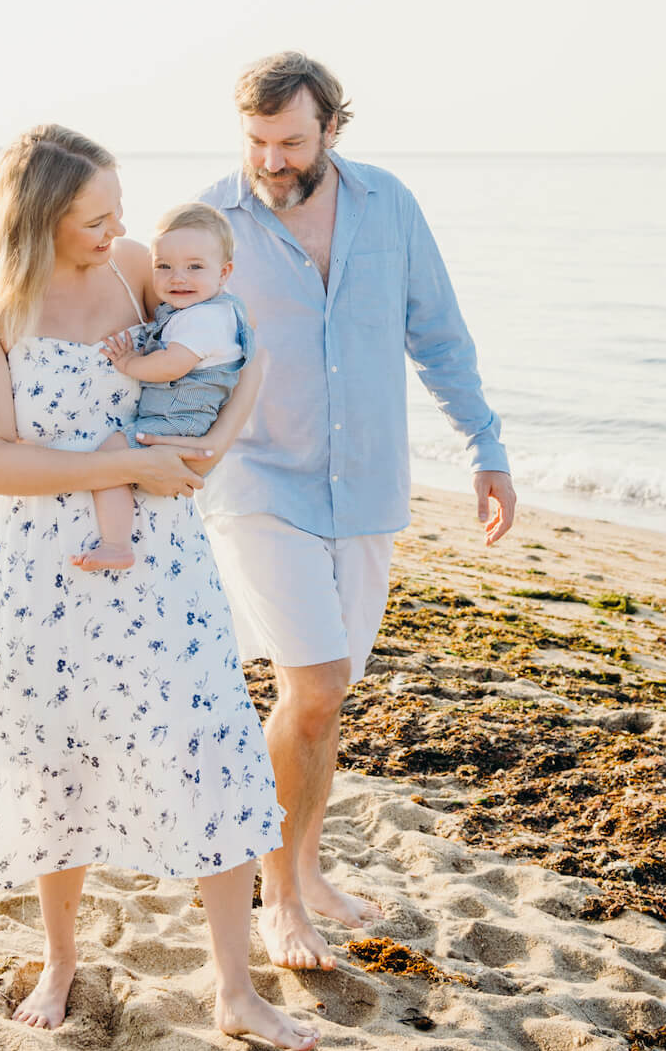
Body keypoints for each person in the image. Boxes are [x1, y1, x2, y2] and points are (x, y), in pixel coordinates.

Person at [0, 124, 318, 1051]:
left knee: (210, 744)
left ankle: (235, 989)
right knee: (59, 763)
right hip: (38, 573)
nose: (117, 231)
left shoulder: (137, 267)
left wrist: (212, 450)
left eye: (119, 211)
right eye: (96, 218)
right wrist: (122, 462)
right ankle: (60, 959)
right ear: (42, 217)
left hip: (162, 562)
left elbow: (239, 354)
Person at [197, 54, 516, 973]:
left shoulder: (390, 206)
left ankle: (307, 864)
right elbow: (170, 332)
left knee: (319, 703)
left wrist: (485, 448)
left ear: (333, 129)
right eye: (257, 140)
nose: (272, 158)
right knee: (318, 682)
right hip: (258, 479)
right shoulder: (214, 215)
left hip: (367, 485)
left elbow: (439, 334)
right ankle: (280, 899)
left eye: (291, 141)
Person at [72, 203, 254, 574]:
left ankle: (116, 544)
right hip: (183, 424)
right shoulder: (208, 310)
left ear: (225, 273)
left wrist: (128, 364)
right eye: (164, 266)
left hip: (175, 424)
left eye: (194, 266)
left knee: (109, 458)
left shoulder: (203, 320)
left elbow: (171, 366)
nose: (177, 277)